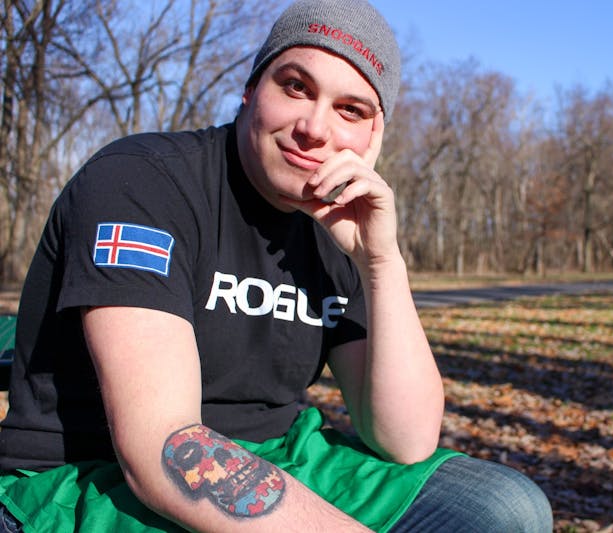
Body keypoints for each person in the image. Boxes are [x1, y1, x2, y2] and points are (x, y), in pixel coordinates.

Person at [0, 0, 553, 531]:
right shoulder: (142, 182)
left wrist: (381, 262)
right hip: (93, 476)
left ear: (373, 135)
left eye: (350, 110)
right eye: (296, 86)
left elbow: (405, 439)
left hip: (280, 453)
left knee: (506, 508)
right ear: (250, 90)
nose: (315, 126)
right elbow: (164, 448)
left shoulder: (340, 229)